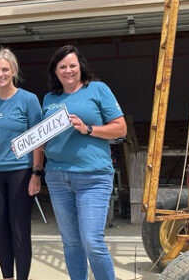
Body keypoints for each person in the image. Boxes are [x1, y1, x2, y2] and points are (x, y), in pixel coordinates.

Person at [42, 45, 127, 280]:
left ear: (80, 67)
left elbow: (120, 129)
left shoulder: (98, 89)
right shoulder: (50, 98)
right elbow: (43, 136)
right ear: (55, 71)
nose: (68, 70)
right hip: (58, 177)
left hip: (93, 177)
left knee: (92, 242)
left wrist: (88, 129)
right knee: (71, 242)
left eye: (72, 65)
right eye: (62, 67)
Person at [0, 48, 44, 280]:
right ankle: (7, 276)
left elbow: (39, 140)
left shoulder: (28, 100)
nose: (0, 74)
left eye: (5, 69)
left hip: (21, 172)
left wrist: (36, 173)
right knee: (0, 229)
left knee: (19, 230)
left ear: (14, 70)